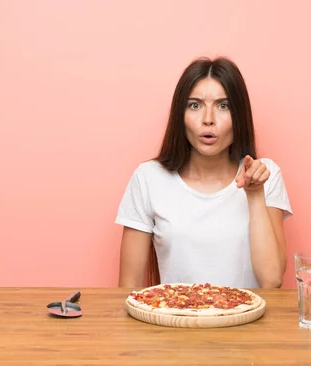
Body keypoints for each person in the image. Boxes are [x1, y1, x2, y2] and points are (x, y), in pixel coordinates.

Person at [115, 56, 293, 289]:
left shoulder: (265, 174)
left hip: (248, 324)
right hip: (174, 322)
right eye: (195, 105)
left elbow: (271, 281)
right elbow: (128, 288)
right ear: (180, 115)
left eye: (223, 106)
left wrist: (255, 193)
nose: (208, 120)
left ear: (239, 115)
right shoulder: (148, 178)